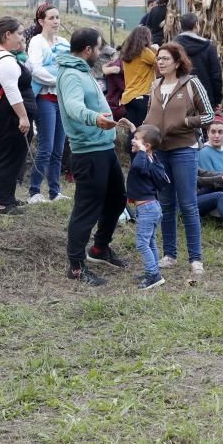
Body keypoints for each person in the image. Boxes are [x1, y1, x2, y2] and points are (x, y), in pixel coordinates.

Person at [56, 27, 128, 286]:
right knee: (86, 209)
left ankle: (100, 248)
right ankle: (76, 266)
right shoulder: (71, 74)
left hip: (103, 148)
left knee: (118, 199)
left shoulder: (83, 70)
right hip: (88, 151)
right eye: (98, 48)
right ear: (88, 49)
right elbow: (75, 106)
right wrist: (94, 118)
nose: (100, 53)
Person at [142, 42, 215, 283]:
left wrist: (186, 123)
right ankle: (169, 255)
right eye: (158, 59)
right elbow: (148, 117)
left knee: (188, 204)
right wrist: (142, 135)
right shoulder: (155, 86)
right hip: (160, 151)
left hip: (184, 149)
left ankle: (196, 259)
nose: (160, 62)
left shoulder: (191, 83)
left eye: (165, 59)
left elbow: (209, 115)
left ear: (177, 62)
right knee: (166, 205)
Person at [0, 17, 33, 215]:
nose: (22, 37)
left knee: (10, 156)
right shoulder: (6, 61)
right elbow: (12, 91)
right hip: (9, 117)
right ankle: (2, 204)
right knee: (7, 157)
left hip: (1, 115)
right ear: (7, 35)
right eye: (19, 33)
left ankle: (8, 198)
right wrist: (24, 117)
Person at [25, 3, 70, 203]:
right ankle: (34, 191)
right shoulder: (37, 41)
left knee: (59, 149)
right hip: (45, 99)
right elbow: (34, 68)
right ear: (41, 21)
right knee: (46, 147)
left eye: (57, 17)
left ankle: (55, 192)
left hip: (61, 100)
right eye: (51, 18)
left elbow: (70, 67)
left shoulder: (64, 42)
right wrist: (56, 80)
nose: (56, 21)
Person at [127, 124, 171, 289]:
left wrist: (141, 151)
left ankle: (154, 275)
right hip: (151, 208)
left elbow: (138, 165)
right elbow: (136, 151)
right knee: (150, 241)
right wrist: (133, 130)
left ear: (146, 146)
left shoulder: (144, 159)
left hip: (147, 209)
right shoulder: (151, 158)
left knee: (142, 243)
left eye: (136, 139)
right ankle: (151, 271)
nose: (133, 141)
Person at [174, 12, 223, 110]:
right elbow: (216, 75)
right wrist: (217, 100)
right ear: (196, 24)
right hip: (205, 97)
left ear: (180, 26)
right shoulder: (208, 47)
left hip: (179, 97)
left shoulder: (172, 47)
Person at [119, 25, 158, 143]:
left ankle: (132, 156)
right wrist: (155, 49)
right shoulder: (145, 52)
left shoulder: (127, 55)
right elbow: (160, 63)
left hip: (129, 98)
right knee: (143, 132)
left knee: (133, 130)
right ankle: (142, 158)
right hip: (143, 96)